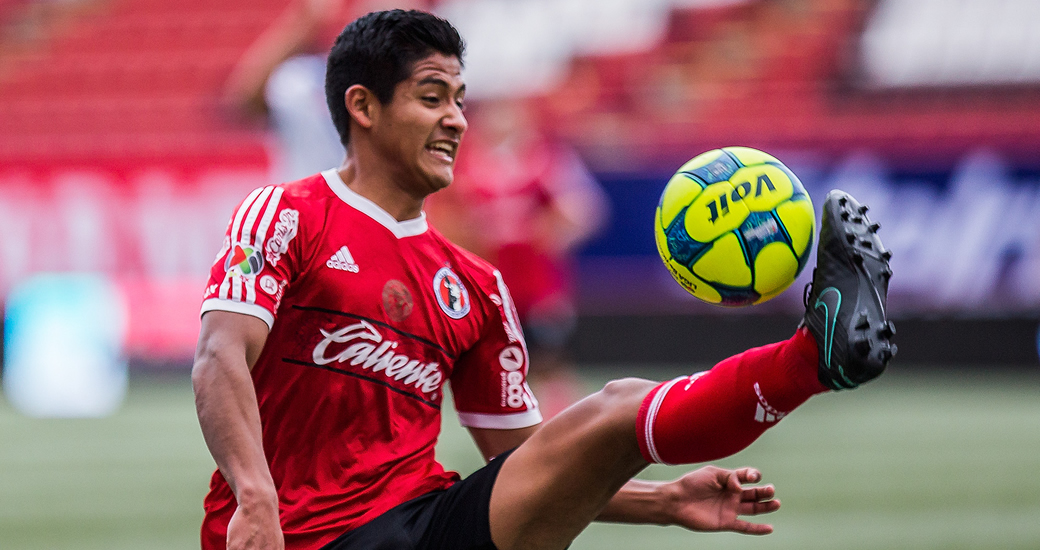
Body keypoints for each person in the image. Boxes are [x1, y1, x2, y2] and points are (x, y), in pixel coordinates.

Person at [192, 9, 897, 550]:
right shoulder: (285, 213)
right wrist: (255, 497)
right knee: (613, 408)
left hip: (428, 526)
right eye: (432, 97)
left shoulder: (475, 284)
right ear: (363, 107)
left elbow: (527, 463)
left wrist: (661, 501)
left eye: (461, 100)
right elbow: (220, 355)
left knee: (616, 406)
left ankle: (814, 356)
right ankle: (813, 354)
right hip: (293, 534)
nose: (456, 121)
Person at [427, 98, 609, 418]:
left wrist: (549, 234)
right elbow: (439, 215)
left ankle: (563, 417)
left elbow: (584, 210)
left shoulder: (547, 159)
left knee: (547, 352)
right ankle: (505, 416)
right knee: (494, 353)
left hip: (536, 277)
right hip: (487, 274)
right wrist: (467, 239)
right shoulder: (464, 163)